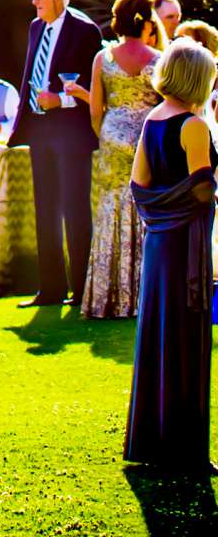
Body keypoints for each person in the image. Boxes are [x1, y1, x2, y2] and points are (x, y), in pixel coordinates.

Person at [126, 37, 217, 471]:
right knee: (186, 336)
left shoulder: (151, 121)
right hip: (186, 245)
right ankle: (185, 449)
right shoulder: (193, 125)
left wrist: (161, 217)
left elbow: (139, 186)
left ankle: (154, 441)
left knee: (159, 334)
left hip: (160, 242)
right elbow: (202, 191)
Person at [13, 0, 104, 309]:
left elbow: (93, 90)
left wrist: (61, 100)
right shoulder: (36, 27)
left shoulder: (85, 31)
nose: (33, 1)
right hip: (41, 130)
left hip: (71, 130)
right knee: (45, 208)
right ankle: (50, 288)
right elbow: (29, 76)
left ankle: (81, 289)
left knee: (75, 209)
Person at [80, 0, 164, 319]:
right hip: (147, 136)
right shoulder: (157, 59)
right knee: (146, 206)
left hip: (113, 135)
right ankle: (145, 296)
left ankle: (109, 297)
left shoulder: (104, 58)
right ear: (146, 21)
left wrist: (107, 133)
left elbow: (95, 109)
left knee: (111, 209)